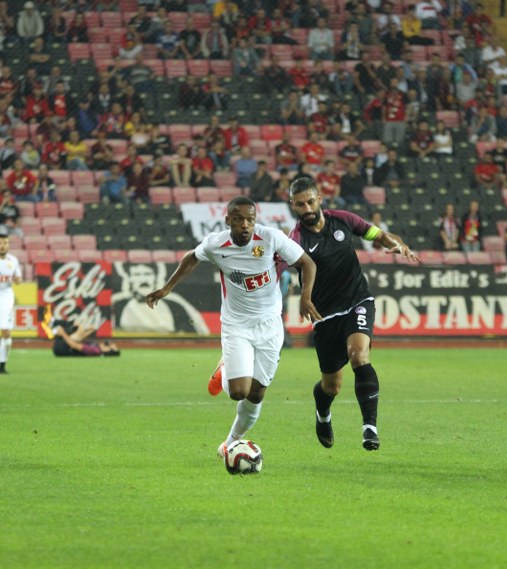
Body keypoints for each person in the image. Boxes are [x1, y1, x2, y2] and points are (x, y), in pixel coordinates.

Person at [146, 197, 320, 458]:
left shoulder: (270, 238)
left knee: (257, 394)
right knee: (239, 391)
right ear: (228, 220)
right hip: (237, 324)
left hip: (270, 325)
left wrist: (305, 297)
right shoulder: (217, 244)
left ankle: (229, 444)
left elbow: (308, 263)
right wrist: (167, 288)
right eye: (238, 219)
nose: (245, 225)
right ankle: (225, 367)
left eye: (250, 219)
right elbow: (191, 258)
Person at [287, 176, 420, 451]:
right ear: (293, 206)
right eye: (300, 204)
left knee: (359, 354)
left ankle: (369, 427)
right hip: (325, 316)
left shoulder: (344, 220)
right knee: (331, 386)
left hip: (358, 299)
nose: (307, 208)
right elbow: (282, 270)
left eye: (311, 201)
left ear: (320, 199)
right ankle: (323, 414)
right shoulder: (295, 239)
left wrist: (397, 243)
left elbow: (377, 234)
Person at [0, 229, 22, 374]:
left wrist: (17, 279)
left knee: (6, 331)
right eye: (0, 243)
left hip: (5, 296)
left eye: (5, 243)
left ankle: (2, 364)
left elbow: (18, 279)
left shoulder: (13, 260)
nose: (2, 245)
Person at [49, 320, 121, 357]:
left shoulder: (95, 350)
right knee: (76, 326)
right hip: (63, 347)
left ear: (108, 350)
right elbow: (80, 340)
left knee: (78, 327)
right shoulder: (96, 347)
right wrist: (89, 331)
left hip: (63, 350)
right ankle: (54, 325)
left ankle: (54, 326)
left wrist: (63, 333)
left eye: (113, 346)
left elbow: (75, 345)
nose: (111, 344)